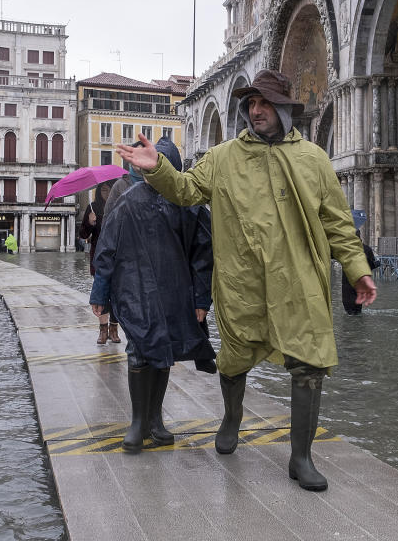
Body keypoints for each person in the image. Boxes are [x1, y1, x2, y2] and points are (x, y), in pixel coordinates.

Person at [117, 69, 377, 491]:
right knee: (235, 360)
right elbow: (184, 191)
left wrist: (358, 271)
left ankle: (301, 458)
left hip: (300, 282)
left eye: (264, 103)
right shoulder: (223, 158)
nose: (255, 110)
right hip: (242, 283)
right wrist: (158, 169)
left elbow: (338, 225)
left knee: (309, 363)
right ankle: (232, 418)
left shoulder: (313, 159)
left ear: (284, 109)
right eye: (250, 103)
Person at [90, 137, 216, 452]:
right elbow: (107, 248)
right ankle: (138, 422)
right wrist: (100, 293)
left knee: (164, 351)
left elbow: (204, 255)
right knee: (139, 350)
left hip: (174, 290)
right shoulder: (127, 201)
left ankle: (155, 419)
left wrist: (202, 300)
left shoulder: (191, 205)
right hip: (134, 290)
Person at [79, 181, 121, 345]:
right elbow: (83, 235)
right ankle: (103, 330)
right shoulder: (93, 208)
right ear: (98, 192)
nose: (106, 193)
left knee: (116, 295)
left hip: (117, 257)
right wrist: (90, 223)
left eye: (109, 189)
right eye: (103, 190)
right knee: (101, 294)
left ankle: (114, 329)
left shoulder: (119, 205)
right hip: (99, 257)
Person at [341, 228, 379, 315]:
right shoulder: (367, 249)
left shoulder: (345, 249)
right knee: (357, 310)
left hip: (347, 284)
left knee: (349, 311)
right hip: (360, 282)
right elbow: (372, 265)